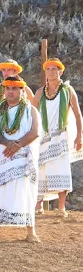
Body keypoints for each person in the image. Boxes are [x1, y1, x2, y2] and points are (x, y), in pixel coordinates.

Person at [0, 76, 41, 242]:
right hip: (1, 155)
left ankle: (31, 231)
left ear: (22, 91)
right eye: (7, 88)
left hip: (22, 155)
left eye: (14, 88)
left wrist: (18, 145)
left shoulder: (31, 110)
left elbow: (35, 131)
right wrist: (8, 143)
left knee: (25, 189)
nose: (10, 92)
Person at [33, 58, 83, 215]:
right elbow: (32, 114)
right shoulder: (40, 92)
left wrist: (79, 136)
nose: (51, 72)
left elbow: (77, 115)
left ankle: (61, 207)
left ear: (60, 72)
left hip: (61, 135)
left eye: (55, 69)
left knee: (61, 169)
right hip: (42, 136)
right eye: (48, 69)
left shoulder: (68, 90)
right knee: (40, 169)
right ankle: (38, 205)